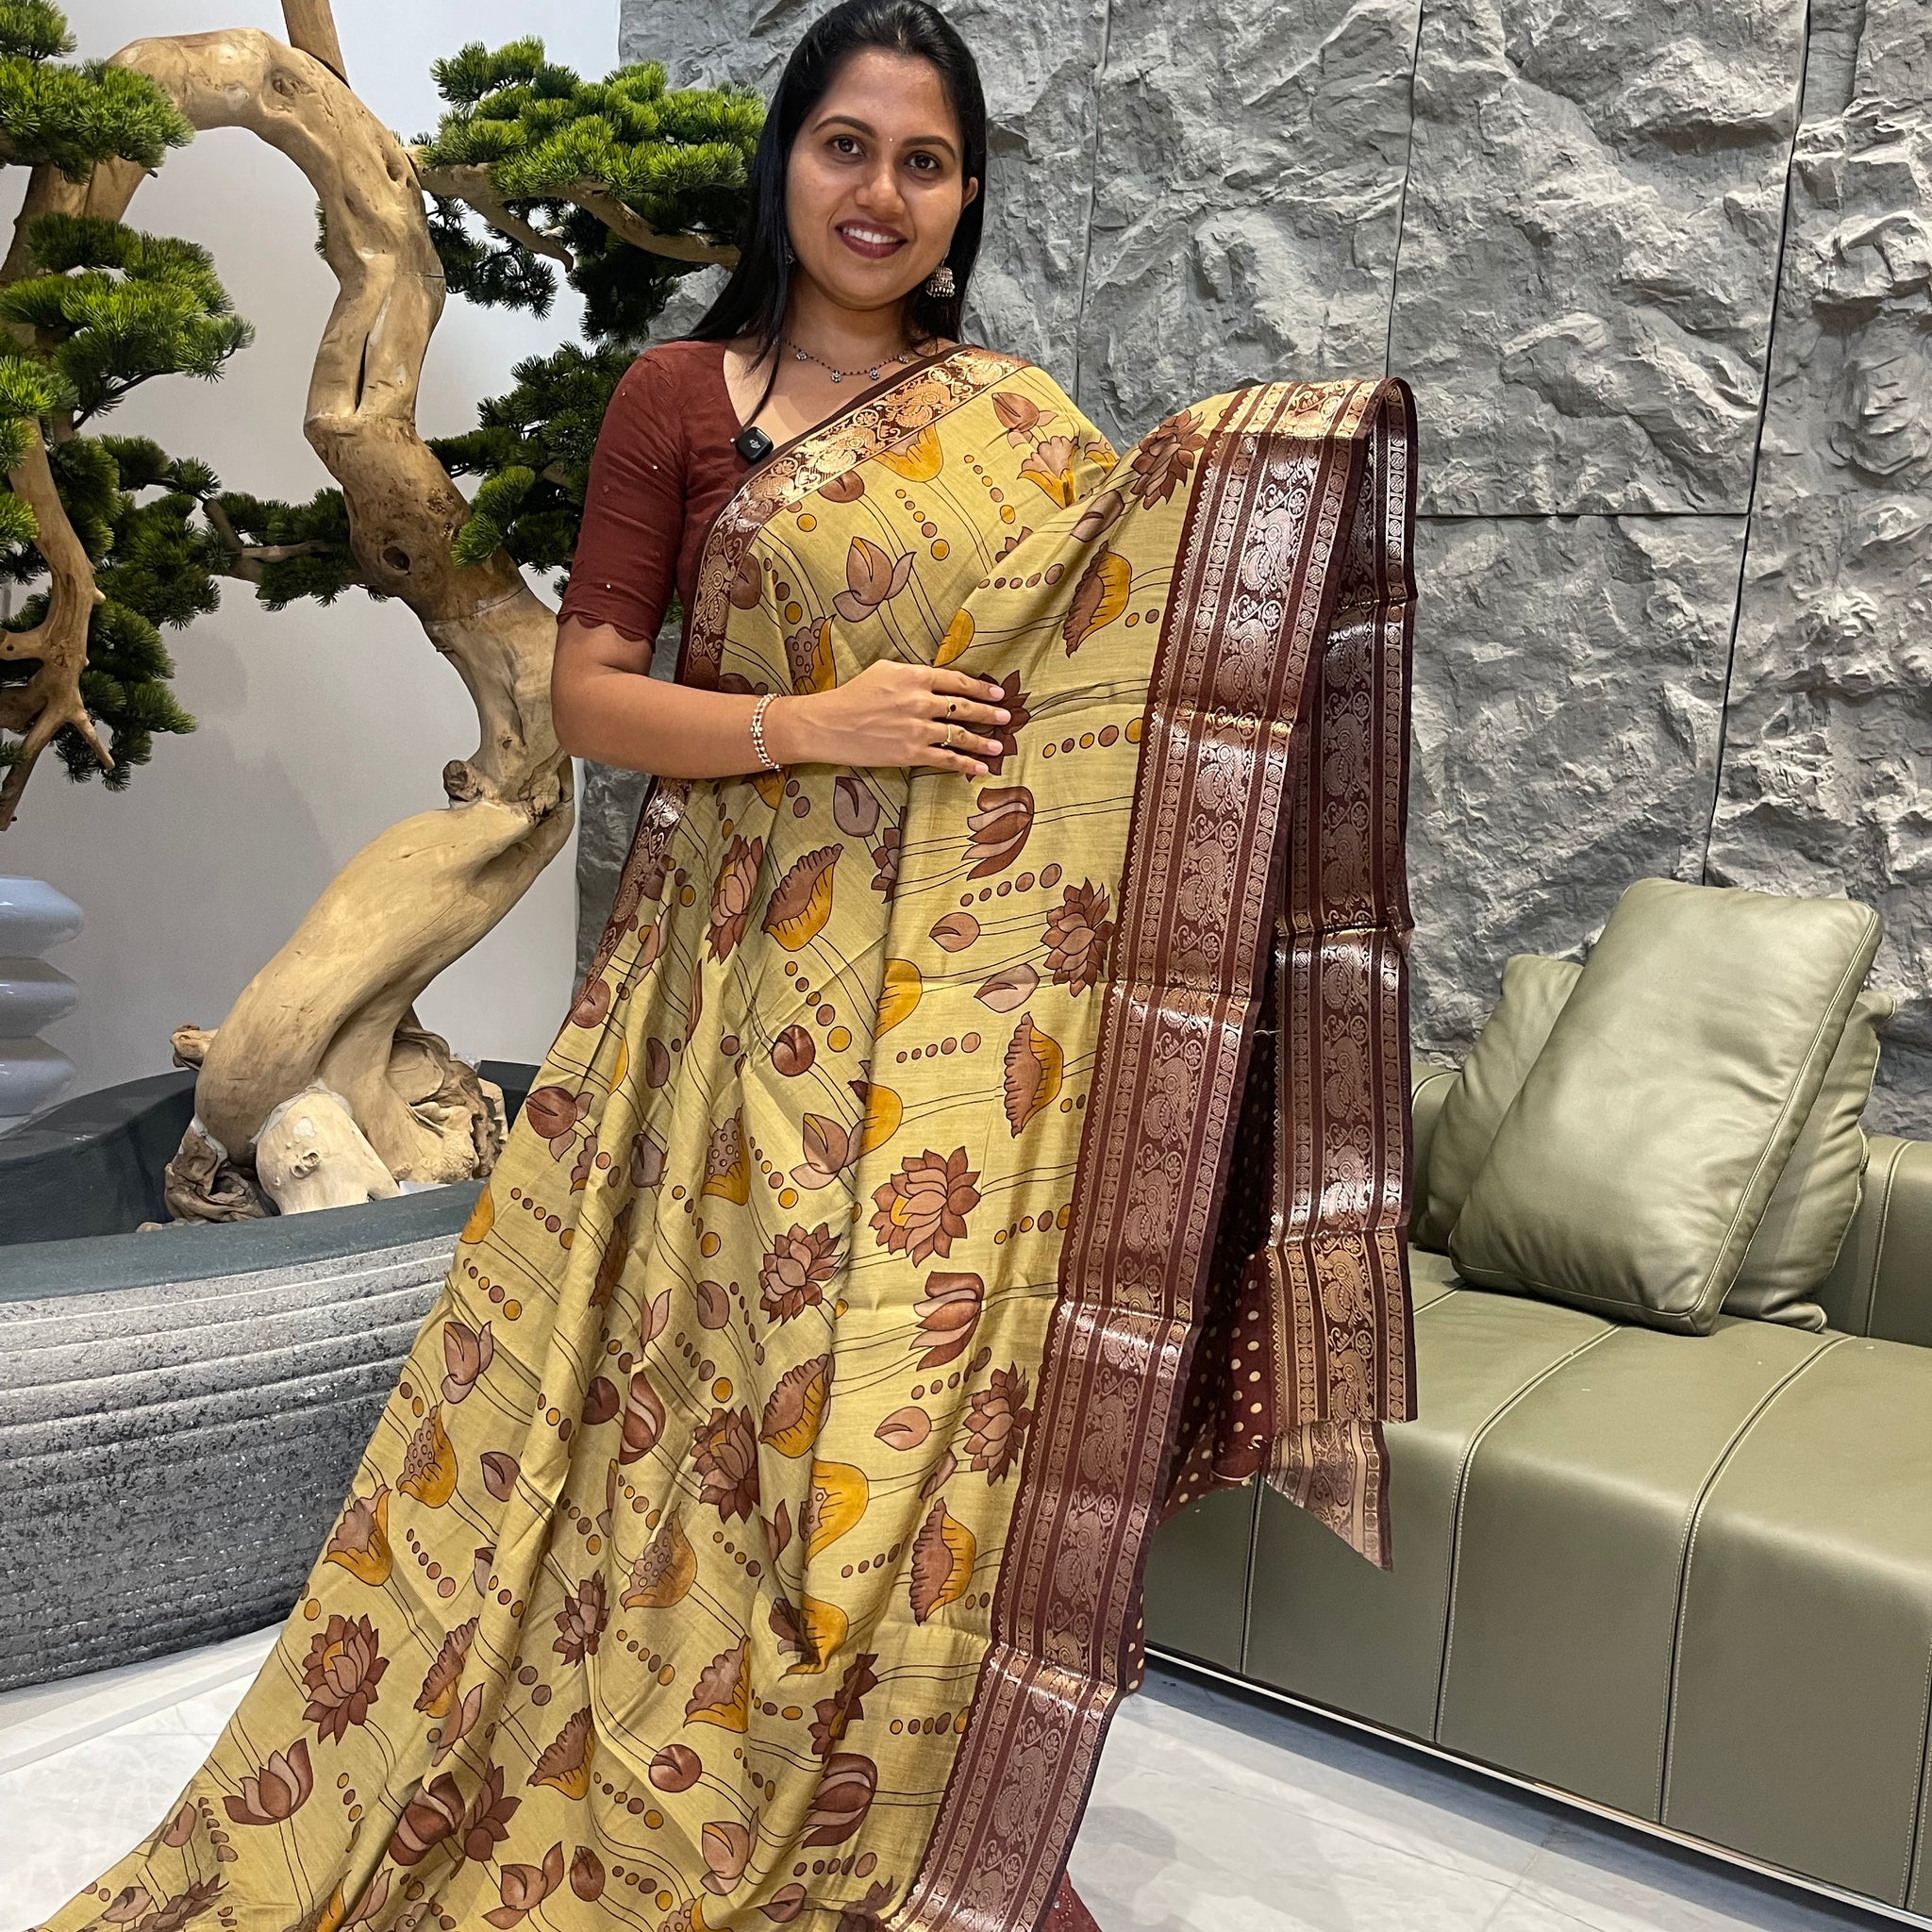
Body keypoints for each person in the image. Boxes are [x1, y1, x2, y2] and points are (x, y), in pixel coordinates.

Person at [33, 4, 1419, 1929]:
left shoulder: (1013, 424)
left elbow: (1131, 635)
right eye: (847, 145)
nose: (882, 193)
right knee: (731, 1392)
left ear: (962, 194)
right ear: (787, 161)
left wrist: (1288, 477)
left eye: (924, 161)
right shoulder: (685, 399)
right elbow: (594, 701)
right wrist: (814, 721)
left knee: (903, 1410)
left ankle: (885, 1801)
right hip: (728, 989)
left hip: (944, 1017)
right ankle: (685, 1754)